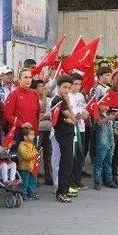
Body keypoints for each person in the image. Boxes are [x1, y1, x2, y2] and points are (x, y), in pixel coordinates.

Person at [51, 75, 76, 203]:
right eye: (64, 87)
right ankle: (61, 192)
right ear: (58, 87)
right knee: (65, 162)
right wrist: (70, 114)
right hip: (63, 134)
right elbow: (72, 116)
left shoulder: (63, 100)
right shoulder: (58, 100)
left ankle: (64, 190)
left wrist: (71, 119)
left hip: (68, 133)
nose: (67, 90)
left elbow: (73, 119)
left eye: (69, 88)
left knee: (68, 162)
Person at [4, 68, 39, 145]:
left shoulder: (34, 94)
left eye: (30, 77)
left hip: (32, 134)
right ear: (19, 80)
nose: (28, 80)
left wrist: (36, 131)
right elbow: (7, 114)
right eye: (25, 77)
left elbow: (37, 114)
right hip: (18, 134)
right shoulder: (13, 95)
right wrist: (21, 124)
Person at [69, 73, 89, 190]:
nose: (77, 87)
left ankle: (78, 179)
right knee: (74, 156)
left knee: (81, 155)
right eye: (75, 84)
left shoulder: (80, 96)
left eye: (79, 84)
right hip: (73, 129)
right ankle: (71, 181)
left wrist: (85, 113)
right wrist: (78, 116)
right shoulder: (68, 96)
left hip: (81, 128)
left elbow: (83, 108)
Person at [93, 101, 118, 190]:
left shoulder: (109, 115)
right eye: (105, 104)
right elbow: (98, 124)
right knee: (99, 163)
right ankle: (97, 181)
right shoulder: (97, 115)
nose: (107, 106)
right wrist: (108, 118)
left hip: (110, 143)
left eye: (108, 105)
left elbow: (113, 128)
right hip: (101, 143)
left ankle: (108, 180)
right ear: (99, 106)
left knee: (108, 163)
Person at [34, 79, 53, 185]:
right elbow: (40, 111)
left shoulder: (50, 100)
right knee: (36, 154)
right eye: (40, 86)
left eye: (43, 86)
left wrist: (44, 117)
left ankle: (48, 177)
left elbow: (51, 115)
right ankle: (34, 177)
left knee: (48, 154)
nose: (43, 88)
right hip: (39, 130)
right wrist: (44, 116)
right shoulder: (34, 99)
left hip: (49, 129)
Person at [18, 127, 39, 199]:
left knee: (32, 181)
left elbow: (34, 153)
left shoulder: (32, 144)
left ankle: (31, 193)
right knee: (25, 182)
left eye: (33, 134)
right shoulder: (22, 145)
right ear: (25, 137)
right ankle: (23, 194)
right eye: (31, 134)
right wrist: (35, 153)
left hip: (32, 166)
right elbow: (25, 156)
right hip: (25, 167)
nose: (34, 136)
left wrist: (36, 154)